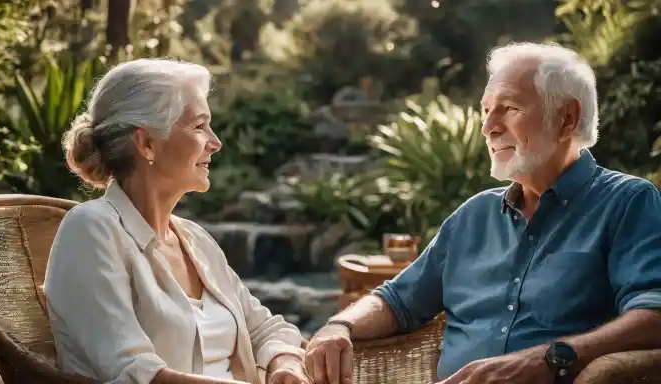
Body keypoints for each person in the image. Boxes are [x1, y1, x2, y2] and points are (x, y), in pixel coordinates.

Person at [305, 42, 661, 384]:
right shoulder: (473, 215)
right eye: (485, 109)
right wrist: (339, 327)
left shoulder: (627, 202)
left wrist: (548, 360)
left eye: (509, 108)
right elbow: (397, 301)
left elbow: (654, 316)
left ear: (567, 119)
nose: (488, 126)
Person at [43, 58, 310, 384]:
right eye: (199, 126)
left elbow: (266, 328)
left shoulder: (194, 239)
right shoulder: (90, 230)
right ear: (147, 143)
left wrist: (286, 364)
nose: (216, 142)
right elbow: (136, 373)